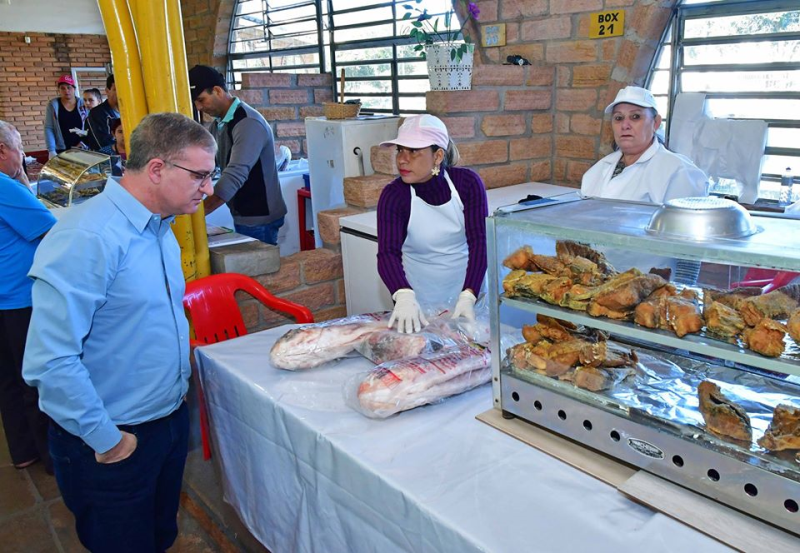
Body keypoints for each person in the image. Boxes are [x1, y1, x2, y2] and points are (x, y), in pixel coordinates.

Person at [23, 113, 216, 552]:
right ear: (156, 169)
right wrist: (107, 441)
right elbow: (49, 361)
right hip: (110, 438)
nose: (208, 189)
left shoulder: (160, 225)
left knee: (158, 536)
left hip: (163, 422)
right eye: (200, 176)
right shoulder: (87, 236)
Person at [377, 115, 488, 333]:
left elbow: (480, 243)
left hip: (469, 295)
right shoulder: (394, 195)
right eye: (400, 150)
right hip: (418, 303)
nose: (402, 159)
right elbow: (387, 253)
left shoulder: (467, 184)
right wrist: (403, 294)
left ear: (438, 156)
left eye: (413, 151)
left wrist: (469, 294)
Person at [0, 121, 57, 473]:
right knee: (33, 378)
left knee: (7, 378)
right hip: (18, 298)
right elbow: (50, 228)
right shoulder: (5, 187)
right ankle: (52, 456)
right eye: (19, 148)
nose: (23, 155)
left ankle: (23, 451)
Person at [188, 65, 287, 244]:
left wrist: (197, 214)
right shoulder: (219, 124)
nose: (199, 107)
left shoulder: (247, 123)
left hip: (259, 216)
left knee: (258, 270)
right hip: (243, 213)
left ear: (217, 90)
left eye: (201, 100)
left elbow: (234, 175)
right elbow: (210, 163)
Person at [581, 86, 708, 204]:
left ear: (656, 123)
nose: (625, 125)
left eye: (635, 117)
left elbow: (683, 225)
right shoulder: (597, 170)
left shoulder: (679, 172)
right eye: (618, 118)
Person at [43, 75, 89, 159]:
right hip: (62, 150)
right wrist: (51, 150)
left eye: (69, 87)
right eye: (63, 88)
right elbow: (49, 128)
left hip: (82, 148)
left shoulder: (84, 104)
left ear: (74, 89)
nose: (66, 91)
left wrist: (84, 143)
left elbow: (91, 127)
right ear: (59, 90)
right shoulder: (53, 105)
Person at [85, 74, 120, 151]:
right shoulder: (97, 113)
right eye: (116, 89)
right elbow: (104, 144)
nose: (121, 93)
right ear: (107, 91)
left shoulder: (129, 112)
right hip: (106, 160)